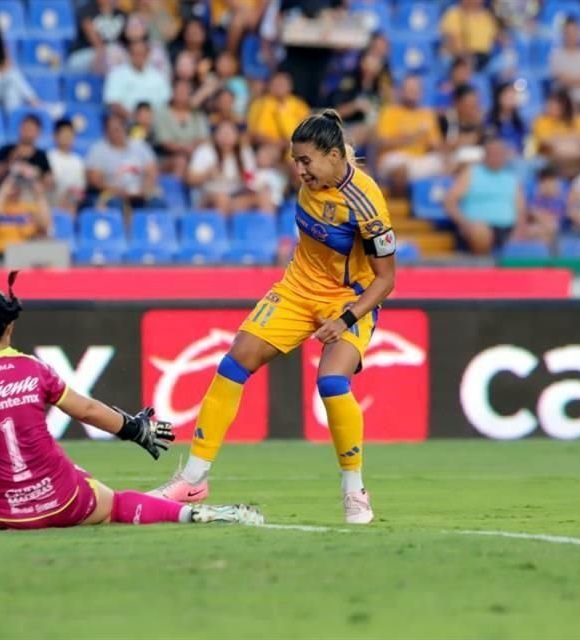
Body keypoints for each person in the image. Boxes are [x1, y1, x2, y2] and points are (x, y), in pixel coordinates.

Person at [0, 272, 264, 530]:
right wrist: (137, 429)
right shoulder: (34, 369)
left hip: (0, 514)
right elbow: (86, 410)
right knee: (113, 502)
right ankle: (187, 514)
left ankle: (181, 505)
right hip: (63, 500)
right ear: (9, 328)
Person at [151, 110, 397, 525]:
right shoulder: (312, 179)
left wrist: (346, 318)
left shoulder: (366, 203)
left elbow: (386, 280)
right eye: (295, 160)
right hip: (297, 289)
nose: (298, 170)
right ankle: (194, 477)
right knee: (234, 361)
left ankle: (354, 488)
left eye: (306, 161)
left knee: (332, 381)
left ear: (335, 156)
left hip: (348, 298)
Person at [443, 133, 523, 255]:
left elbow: (521, 209)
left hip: (508, 227)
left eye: (500, 154)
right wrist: (464, 223)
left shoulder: (511, 178)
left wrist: (519, 229)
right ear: (485, 155)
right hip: (478, 226)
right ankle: (486, 270)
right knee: (481, 233)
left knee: (543, 232)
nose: (497, 157)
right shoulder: (471, 173)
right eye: (493, 154)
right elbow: (450, 201)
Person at [375, 74, 444, 195]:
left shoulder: (428, 115)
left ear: (421, 92)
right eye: (409, 89)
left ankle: (429, 207)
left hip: (419, 159)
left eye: (415, 90)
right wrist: (412, 138)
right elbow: (382, 143)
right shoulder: (390, 112)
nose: (412, 93)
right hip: (394, 157)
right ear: (401, 91)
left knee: (445, 163)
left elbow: (436, 145)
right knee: (401, 169)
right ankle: (399, 208)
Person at [187, 120, 272, 214]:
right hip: (209, 196)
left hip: (236, 195)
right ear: (215, 135)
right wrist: (207, 174)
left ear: (236, 136)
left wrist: (255, 185)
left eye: (229, 133)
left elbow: (250, 178)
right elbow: (190, 180)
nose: (226, 137)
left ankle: (267, 227)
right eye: (222, 133)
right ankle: (222, 227)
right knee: (222, 198)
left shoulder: (244, 152)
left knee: (264, 195)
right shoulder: (205, 150)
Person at [85, 111, 163, 211]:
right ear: (106, 132)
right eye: (113, 130)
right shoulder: (98, 150)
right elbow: (95, 180)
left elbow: (152, 171)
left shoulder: (140, 146)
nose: (117, 132)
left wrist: (144, 189)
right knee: (114, 205)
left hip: (140, 192)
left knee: (157, 204)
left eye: (119, 128)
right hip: (112, 193)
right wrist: (118, 191)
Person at [0, 163, 52, 256]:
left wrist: (38, 194)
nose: (15, 188)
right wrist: (3, 192)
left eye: (17, 185)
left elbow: (45, 225)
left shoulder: (29, 207)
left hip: (23, 256)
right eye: (12, 185)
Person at [531, 88, 580, 178]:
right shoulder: (541, 121)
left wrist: (560, 140)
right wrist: (573, 139)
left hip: (579, 159)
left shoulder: (577, 120)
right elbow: (547, 142)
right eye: (549, 104)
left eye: (556, 105)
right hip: (553, 160)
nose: (551, 107)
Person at [153, 79, 210, 178]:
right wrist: (185, 148)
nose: (182, 94)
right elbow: (164, 142)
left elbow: (203, 138)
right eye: (179, 91)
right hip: (168, 156)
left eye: (185, 91)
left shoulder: (197, 113)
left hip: (195, 153)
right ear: (172, 92)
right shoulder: (162, 113)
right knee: (181, 161)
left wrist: (192, 148)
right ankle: (176, 190)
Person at [103, 38, 171, 119]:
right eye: (135, 53)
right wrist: (134, 118)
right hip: (126, 121)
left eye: (142, 54)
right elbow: (113, 103)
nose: (138, 57)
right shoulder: (116, 74)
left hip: (155, 123)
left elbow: (165, 102)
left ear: (148, 54)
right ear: (129, 54)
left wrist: (150, 120)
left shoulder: (158, 77)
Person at [246, 70, 310, 149]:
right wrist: (279, 144)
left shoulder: (299, 105)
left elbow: (306, 133)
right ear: (269, 86)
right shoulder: (259, 104)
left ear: (290, 86)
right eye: (276, 84)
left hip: (294, 145)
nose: (279, 87)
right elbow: (254, 133)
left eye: (282, 84)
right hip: (267, 145)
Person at [549, 17, 580, 112]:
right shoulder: (556, 56)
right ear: (564, 34)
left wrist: (573, 80)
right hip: (566, 105)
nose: (572, 36)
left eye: (575, 32)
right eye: (568, 33)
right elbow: (563, 80)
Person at [0, 114, 52, 191]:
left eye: (31, 129)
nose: (27, 132)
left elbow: (49, 182)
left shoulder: (41, 156)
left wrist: (35, 174)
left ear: (38, 132)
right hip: (6, 196)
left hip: (31, 197)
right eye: (25, 128)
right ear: (20, 128)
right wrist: (10, 161)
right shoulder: (6, 149)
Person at [439, 0, 499, 70]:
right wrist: (464, 56)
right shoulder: (453, 14)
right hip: (460, 56)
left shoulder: (487, 16)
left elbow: (497, 36)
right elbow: (451, 41)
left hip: (484, 57)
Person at [514, 166, 564, 246]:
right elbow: (526, 212)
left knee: (550, 227)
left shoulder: (559, 199)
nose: (550, 185)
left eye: (553, 182)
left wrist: (537, 213)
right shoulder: (532, 196)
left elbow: (554, 222)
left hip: (548, 230)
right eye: (545, 182)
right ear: (540, 183)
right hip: (531, 227)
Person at [47, 118, 86, 214]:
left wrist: (70, 199)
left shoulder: (78, 161)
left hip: (71, 204)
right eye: (63, 134)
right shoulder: (48, 157)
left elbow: (80, 189)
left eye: (69, 135)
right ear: (55, 136)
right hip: (50, 203)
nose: (67, 138)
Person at [486, 82, 526, 156]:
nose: (510, 98)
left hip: (517, 159)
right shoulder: (489, 121)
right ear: (498, 97)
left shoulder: (520, 122)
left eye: (513, 95)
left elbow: (523, 144)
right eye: (507, 95)